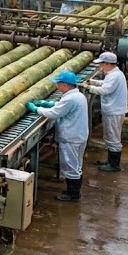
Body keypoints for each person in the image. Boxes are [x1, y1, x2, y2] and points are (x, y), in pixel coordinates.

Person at [27, 70, 88, 202]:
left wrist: (36, 109)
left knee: (70, 165)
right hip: (79, 135)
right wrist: (48, 103)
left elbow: (54, 113)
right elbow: (62, 107)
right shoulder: (77, 96)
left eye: (58, 83)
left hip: (71, 137)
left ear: (65, 84)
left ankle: (73, 194)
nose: (57, 86)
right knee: (76, 165)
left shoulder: (71, 98)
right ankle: (73, 191)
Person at [86, 52, 128, 172]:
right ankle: (110, 161)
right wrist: (93, 82)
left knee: (113, 136)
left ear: (108, 63)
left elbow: (105, 90)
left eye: (102, 64)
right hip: (113, 110)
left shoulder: (115, 76)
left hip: (114, 111)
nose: (100, 67)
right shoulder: (114, 74)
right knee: (110, 135)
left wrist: (89, 88)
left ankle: (114, 164)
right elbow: (106, 84)